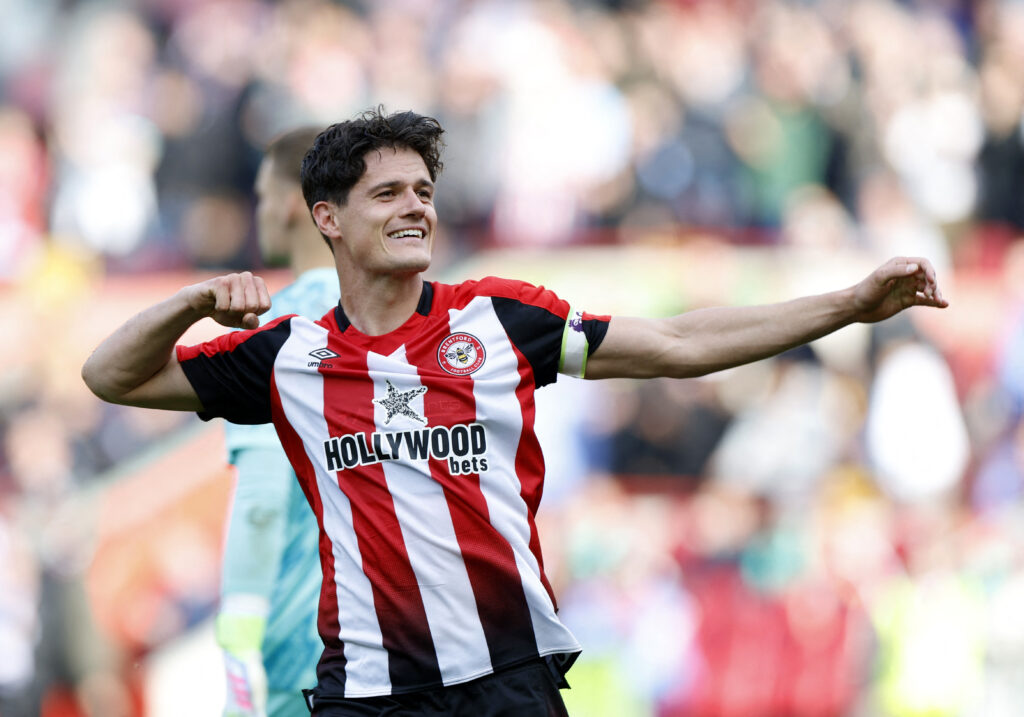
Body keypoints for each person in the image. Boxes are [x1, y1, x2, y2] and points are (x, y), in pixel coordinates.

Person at [81, 107, 948, 716]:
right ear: (328, 219)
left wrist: (847, 305)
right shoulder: (290, 356)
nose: (415, 207)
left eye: (423, 190)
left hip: (507, 681)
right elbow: (110, 375)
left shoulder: (498, 319)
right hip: (367, 691)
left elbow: (679, 343)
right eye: (387, 194)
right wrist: (189, 303)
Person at [216, 126, 337, 717]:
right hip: (409, 642)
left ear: (291, 203)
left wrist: (239, 644)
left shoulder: (280, 331)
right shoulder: (406, 322)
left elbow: (263, 500)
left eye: (263, 196)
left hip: (304, 653)